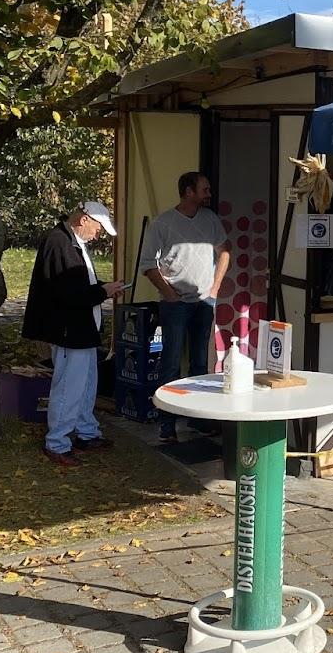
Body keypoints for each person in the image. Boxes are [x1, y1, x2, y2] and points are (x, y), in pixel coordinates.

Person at [23, 201, 130, 467]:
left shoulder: (70, 242)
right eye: (98, 228)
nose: (98, 234)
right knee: (69, 386)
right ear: (84, 220)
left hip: (81, 327)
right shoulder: (60, 243)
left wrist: (104, 287)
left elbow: (80, 285)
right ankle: (57, 442)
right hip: (70, 329)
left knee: (86, 383)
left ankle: (86, 431)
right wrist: (104, 291)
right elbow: (70, 293)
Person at [141, 171, 230, 442]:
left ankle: (197, 419)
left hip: (204, 302)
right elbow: (148, 264)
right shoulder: (163, 224)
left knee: (199, 364)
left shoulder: (210, 219)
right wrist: (168, 293)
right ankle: (166, 425)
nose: (209, 194)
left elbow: (224, 251)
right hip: (176, 304)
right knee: (170, 363)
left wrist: (214, 289)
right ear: (189, 192)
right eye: (205, 189)